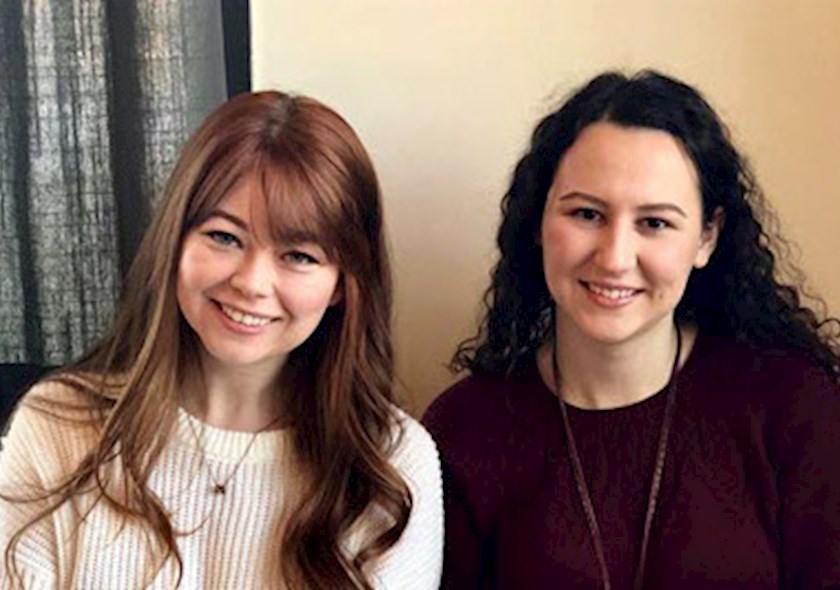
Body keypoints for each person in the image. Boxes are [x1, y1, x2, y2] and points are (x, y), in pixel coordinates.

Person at [0, 91, 443, 589]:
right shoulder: (54, 429)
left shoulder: (392, 464)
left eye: (298, 255)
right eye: (224, 237)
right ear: (176, 240)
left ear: (343, 282)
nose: (252, 283)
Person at [423, 70, 840, 589]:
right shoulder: (463, 430)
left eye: (655, 223)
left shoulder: (792, 406)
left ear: (707, 237)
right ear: (538, 221)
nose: (615, 258)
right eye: (587, 214)